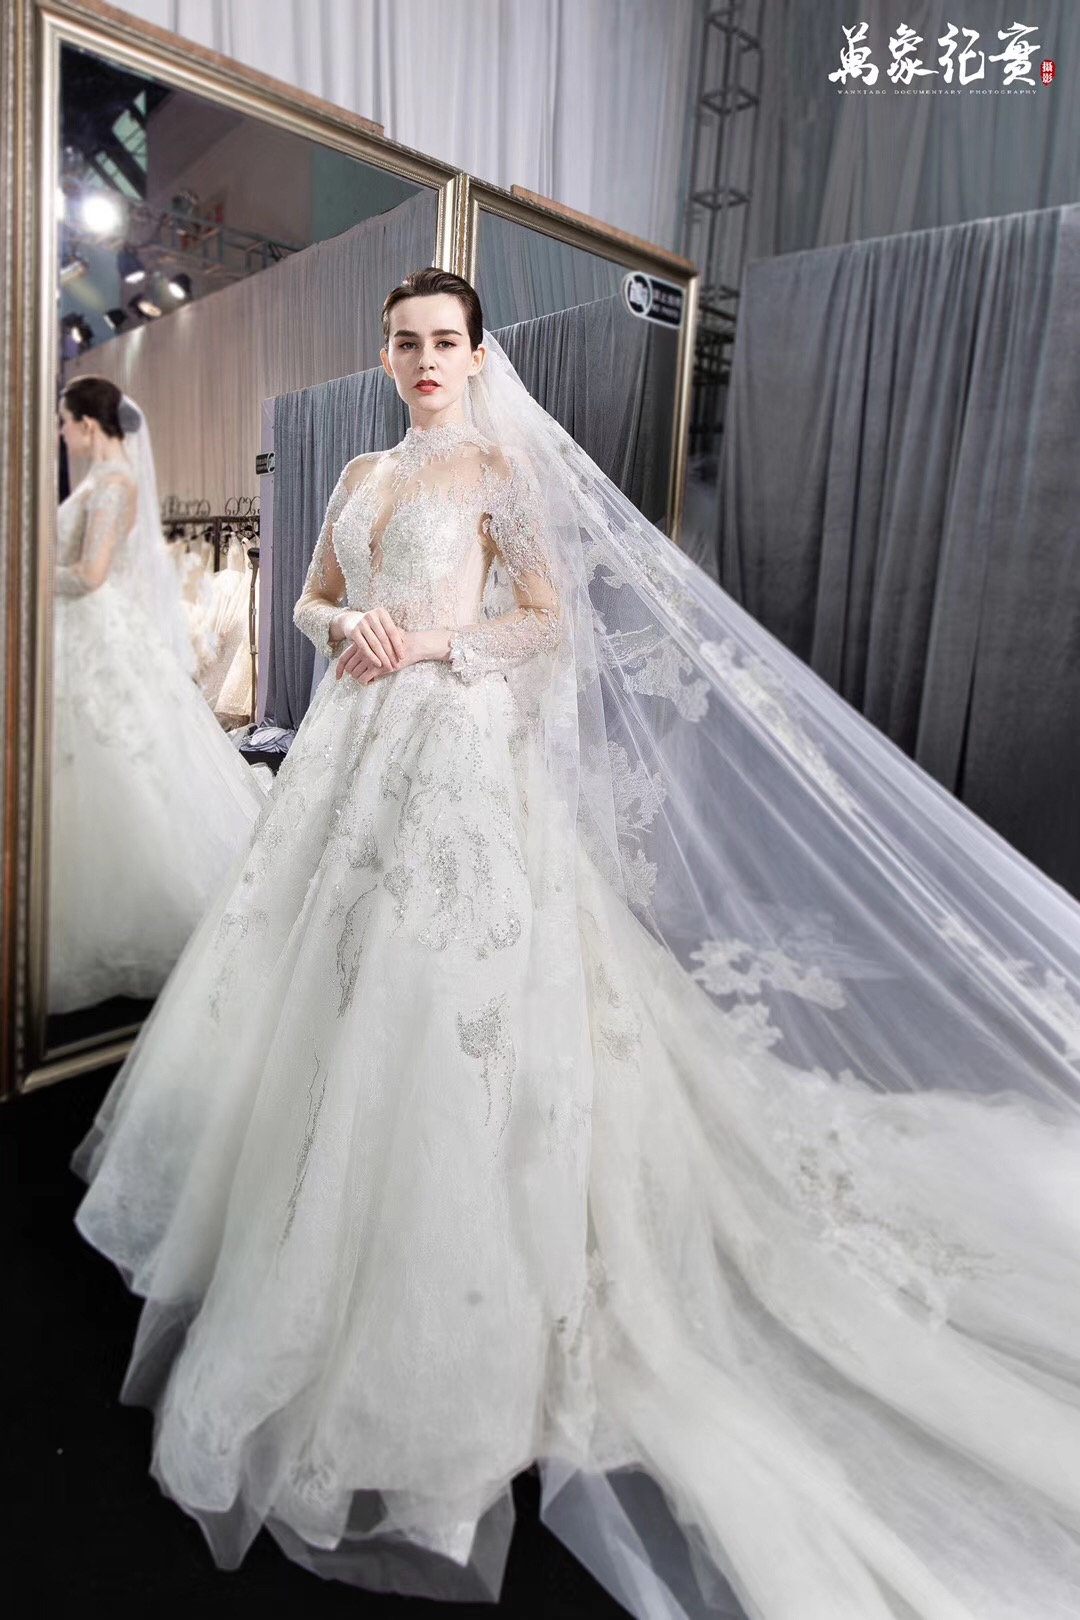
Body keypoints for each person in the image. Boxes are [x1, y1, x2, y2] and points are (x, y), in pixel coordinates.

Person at [71, 272, 1080, 1620]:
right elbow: (310, 600)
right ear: (386, 356)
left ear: (477, 354)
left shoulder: (500, 474)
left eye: (446, 342)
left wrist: (436, 640)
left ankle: (437, 1282)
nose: (426, 360)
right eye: (407, 342)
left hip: (456, 754)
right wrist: (348, 625)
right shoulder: (361, 473)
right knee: (323, 984)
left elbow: (548, 619)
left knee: (437, 1000)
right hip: (352, 754)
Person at [51, 378, 266, 1015]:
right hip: (88, 630)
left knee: (111, 756)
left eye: (65, 421)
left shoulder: (114, 483)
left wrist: (26, 572)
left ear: (88, 423)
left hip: (96, 626)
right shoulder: (101, 481)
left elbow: (91, 575)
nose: (61, 433)